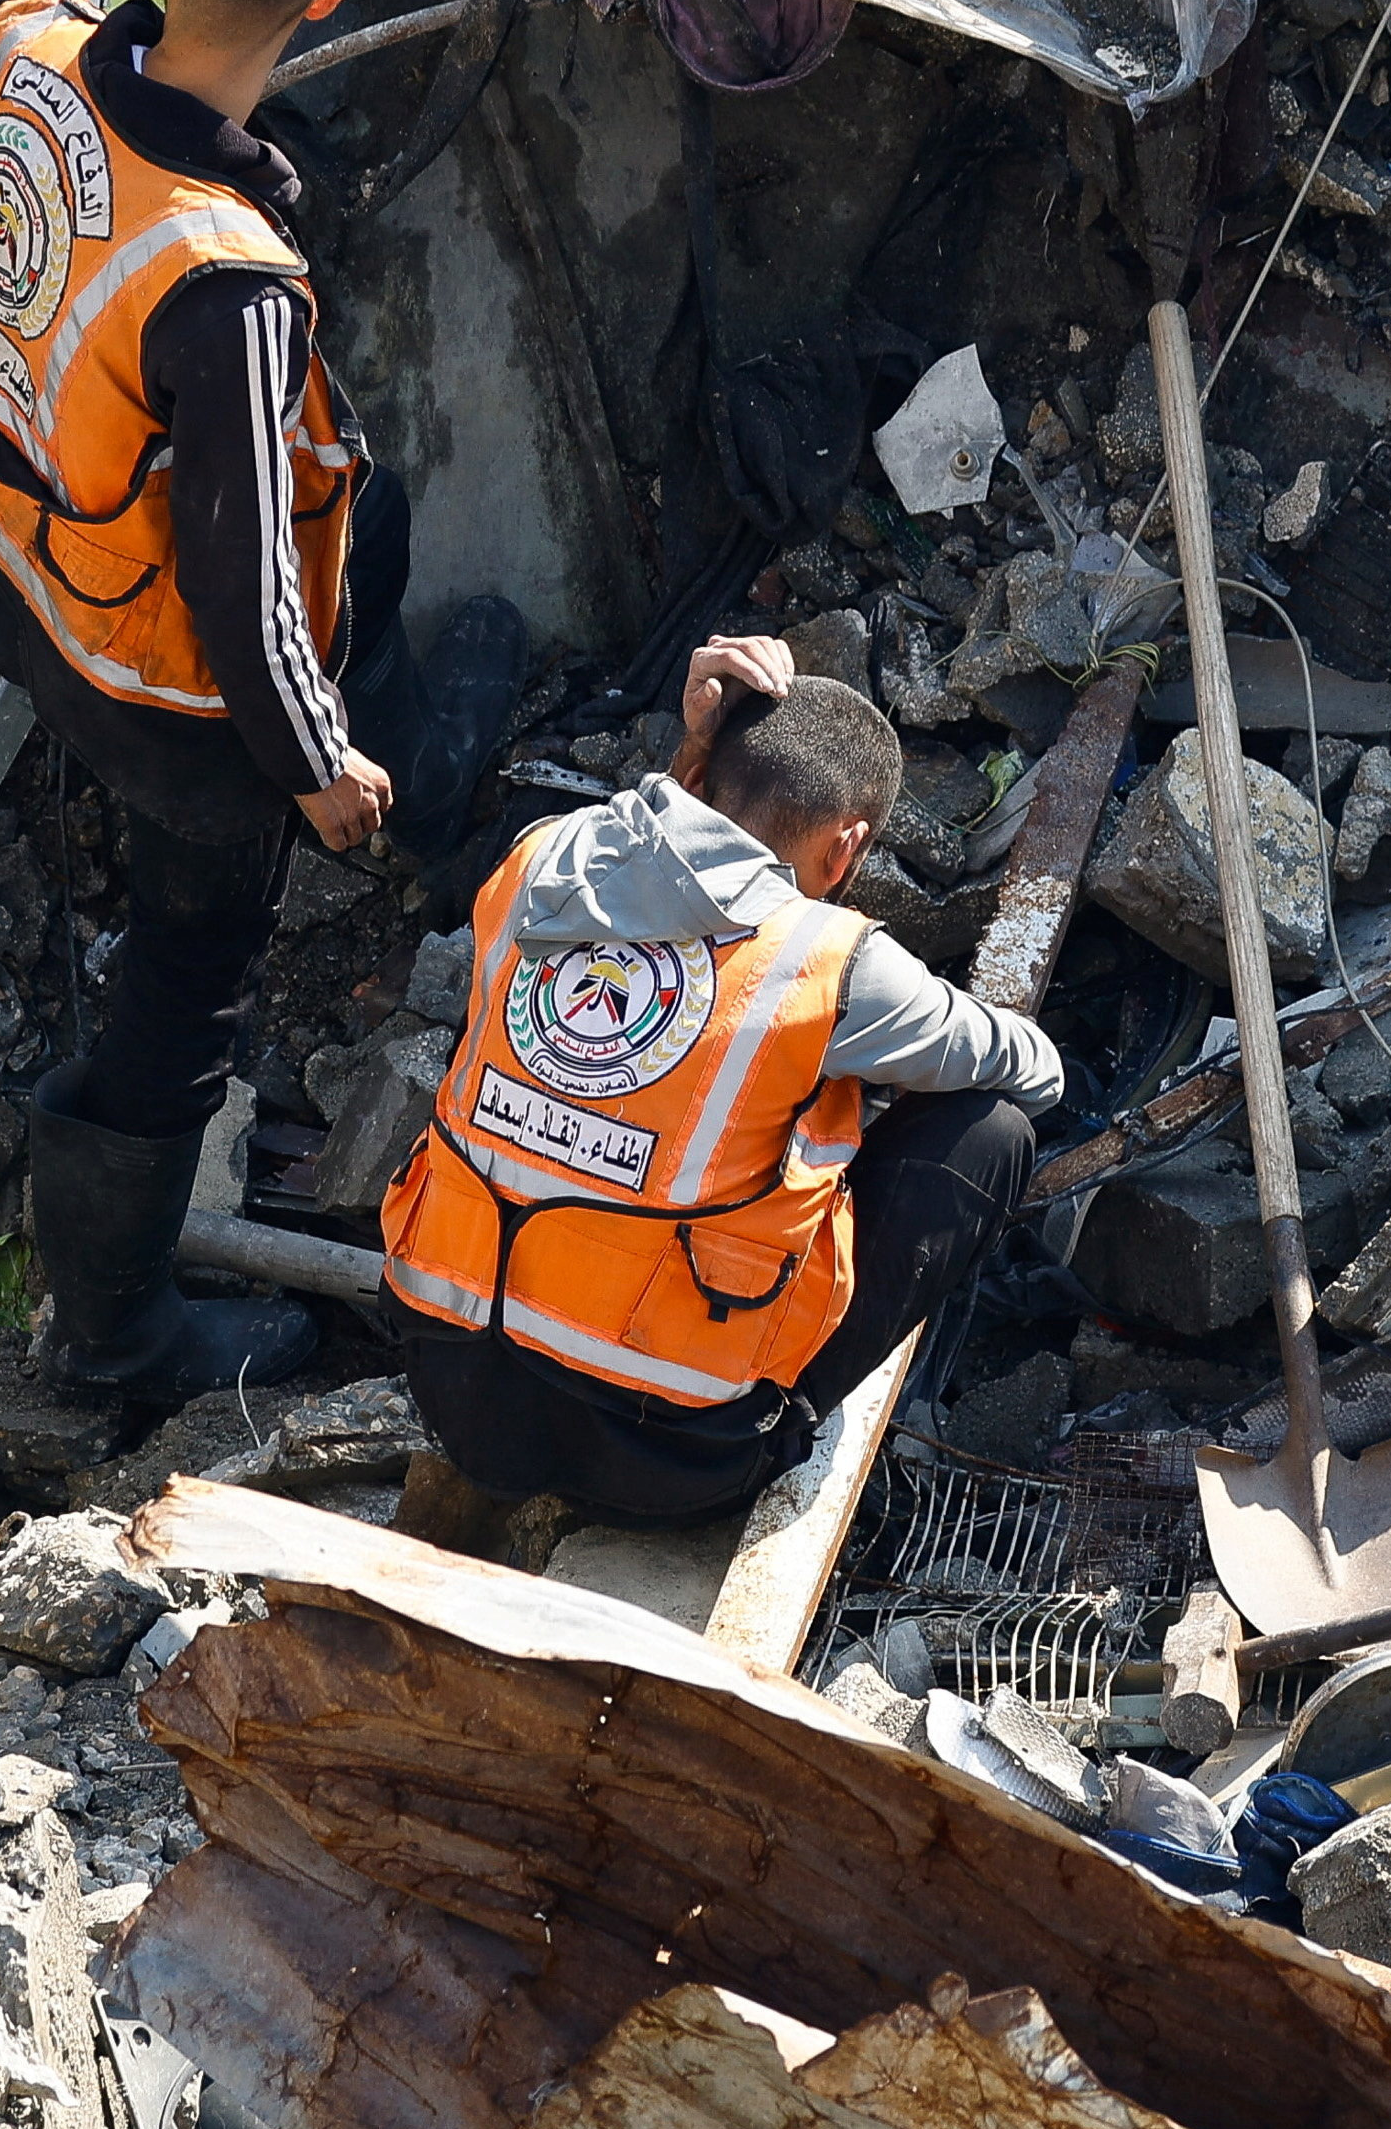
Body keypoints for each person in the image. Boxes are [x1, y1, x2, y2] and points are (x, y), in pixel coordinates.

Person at [0, 0, 497, 1407]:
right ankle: (122, 1342)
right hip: (150, 675)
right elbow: (241, 578)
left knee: (378, 512)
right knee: (192, 962)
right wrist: (310, 766)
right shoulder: (230, 287)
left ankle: (435, 774)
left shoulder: (23, 47)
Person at [379, 634, 1064, 1563]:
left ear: (703, 776)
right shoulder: (827, 960)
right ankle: (790, 1415)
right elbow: (1034, 1070)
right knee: (993, 1130)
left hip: (457, 1390)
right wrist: (860, 1057)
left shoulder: (544, 858)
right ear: (849, 846)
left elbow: (644, 851)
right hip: (671, 1462)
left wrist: (692, 748)